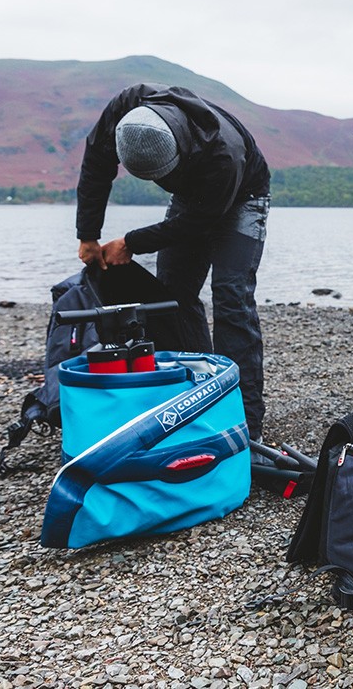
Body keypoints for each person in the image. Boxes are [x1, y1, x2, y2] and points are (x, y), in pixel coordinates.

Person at [75, 83, 271, 441]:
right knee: (171, 298)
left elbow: (199, 221)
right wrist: (88, 234)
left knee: (231, 298)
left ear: (177, 153)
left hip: (243, 195)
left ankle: (246, 421)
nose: (159, 183)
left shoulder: (223, 152)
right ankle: (192, 393)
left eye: (162, 175)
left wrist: (131, 242)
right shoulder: (127, 109)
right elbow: (96, 163)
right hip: (192, 196)